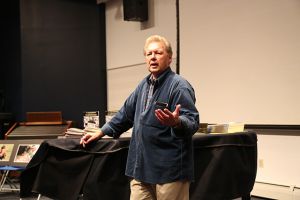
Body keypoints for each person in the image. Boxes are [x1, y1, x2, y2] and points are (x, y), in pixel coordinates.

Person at [80, 35, 199, 200]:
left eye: (158, 53)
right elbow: (125, 114)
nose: (153, 57)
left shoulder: (179, 86)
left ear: (170, 58)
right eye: (149, 54)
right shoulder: (143, 85)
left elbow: (192, 122)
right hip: (141, 168)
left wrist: (177, 122)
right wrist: (101, 132)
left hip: (169, 171)